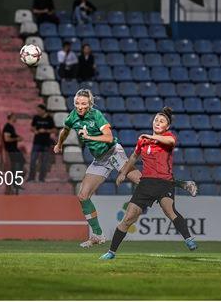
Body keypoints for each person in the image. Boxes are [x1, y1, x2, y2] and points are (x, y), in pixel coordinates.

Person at [100, 107, 198, 260]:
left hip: (165, 183)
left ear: (167, 126)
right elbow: (133, 157)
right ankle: (111, 252)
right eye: (156, 120)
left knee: (169, 210)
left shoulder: (168, 137)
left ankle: (188, 239)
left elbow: (170, 141)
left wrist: (151, 137)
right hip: (146, 184)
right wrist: (124, 173)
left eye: (162, 121)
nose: (158, 123)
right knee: (128, 218)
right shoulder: (143, 140)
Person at [53, 89, 130, 248]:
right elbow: (65, 130)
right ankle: (97, 235)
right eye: (77, 103)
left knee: (139, 179)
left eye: (84, 103)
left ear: (89, 104)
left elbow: (108, 137)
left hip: (113, 151)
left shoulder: (96, 115)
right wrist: (59, 144)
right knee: (82, 196)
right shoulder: (72, 117)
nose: (80, 106)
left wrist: (88, 137)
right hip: (100, 159)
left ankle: (171, 185)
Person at [28, 104, 56, 182]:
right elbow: (32, 127)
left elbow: (54, 130)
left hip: (46, 142)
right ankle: (31, 177)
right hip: (36, 142)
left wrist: (45, 131)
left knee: (44, 161)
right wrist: (35, 131)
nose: (38, 112)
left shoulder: (49, 119)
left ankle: (41, 178)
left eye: (39, 110)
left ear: (44, 110)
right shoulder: (36, 118)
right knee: (33, 160)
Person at [3, 113, 25, 192]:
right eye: (15, 116)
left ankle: (16, 182)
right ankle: (15, 182)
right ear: (11, 117)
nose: (16, 118)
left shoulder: (11, 127)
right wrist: (17, 139)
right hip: (11, 150)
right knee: (16, 165)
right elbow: (7, 139)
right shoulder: (7, 127)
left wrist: (18, 137)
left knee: (20, 163)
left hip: (14, 149)